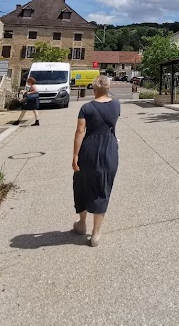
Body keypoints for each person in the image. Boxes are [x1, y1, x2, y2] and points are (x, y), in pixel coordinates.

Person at [72, 75, 119, 247]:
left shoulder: (86, 108)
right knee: (103, 187)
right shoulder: (116, 105)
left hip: (89, 150)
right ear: (108, 88)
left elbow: (79, 131)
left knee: (82, 184)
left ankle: (82, 223)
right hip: (109, 149)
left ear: (94, 89)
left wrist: (75, 155)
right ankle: (96, 233)